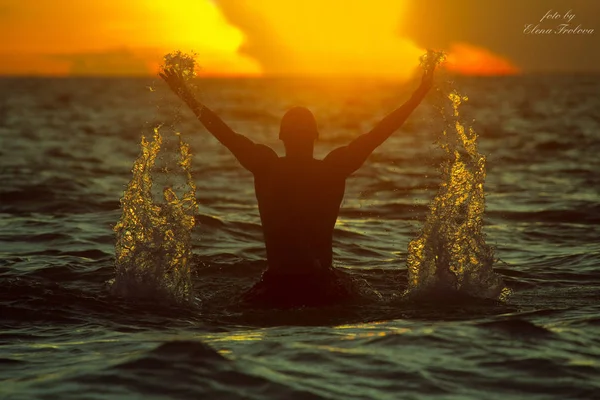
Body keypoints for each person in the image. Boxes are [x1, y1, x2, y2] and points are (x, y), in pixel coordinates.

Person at [160, 67, 435, 307]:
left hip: (277, 286)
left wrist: (186, 94)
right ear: (316, 135)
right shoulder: (333, 168)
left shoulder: (266, 165)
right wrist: (417, 97)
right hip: (324, 287)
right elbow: (378, 133)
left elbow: (223, 132)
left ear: (281, 136)